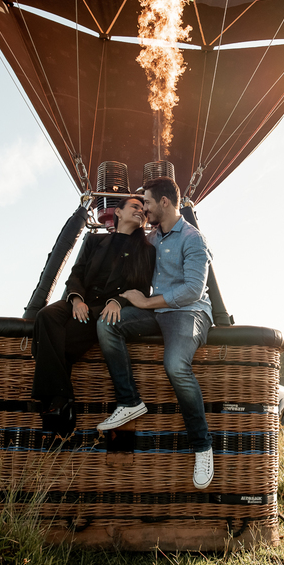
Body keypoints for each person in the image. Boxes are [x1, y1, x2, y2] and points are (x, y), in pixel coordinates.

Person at [95, 176, 215, 489]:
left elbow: (192, 290)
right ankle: (129, 401)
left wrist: (147, 302)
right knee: (107, 324)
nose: (144, 208)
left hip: (189, 312)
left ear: (163, 202)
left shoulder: (193, 239)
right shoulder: (152, 238)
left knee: (175, 365)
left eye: (147, 202)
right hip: (158, 312)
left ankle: (202, 446)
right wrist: (115, 299)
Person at [31, 196, 155, 434]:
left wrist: (117, 302)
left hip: (107, 306)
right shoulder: (95, 240)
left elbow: (141, 288)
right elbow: (76, 273)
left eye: (143, 209)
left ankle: (56, 402)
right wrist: (76, 299)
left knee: (60, 339)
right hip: (83, 300)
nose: (141, 211)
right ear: (118, 212)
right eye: (135, 206)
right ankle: (62, 398)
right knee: (46, 316)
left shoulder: (146, 250)